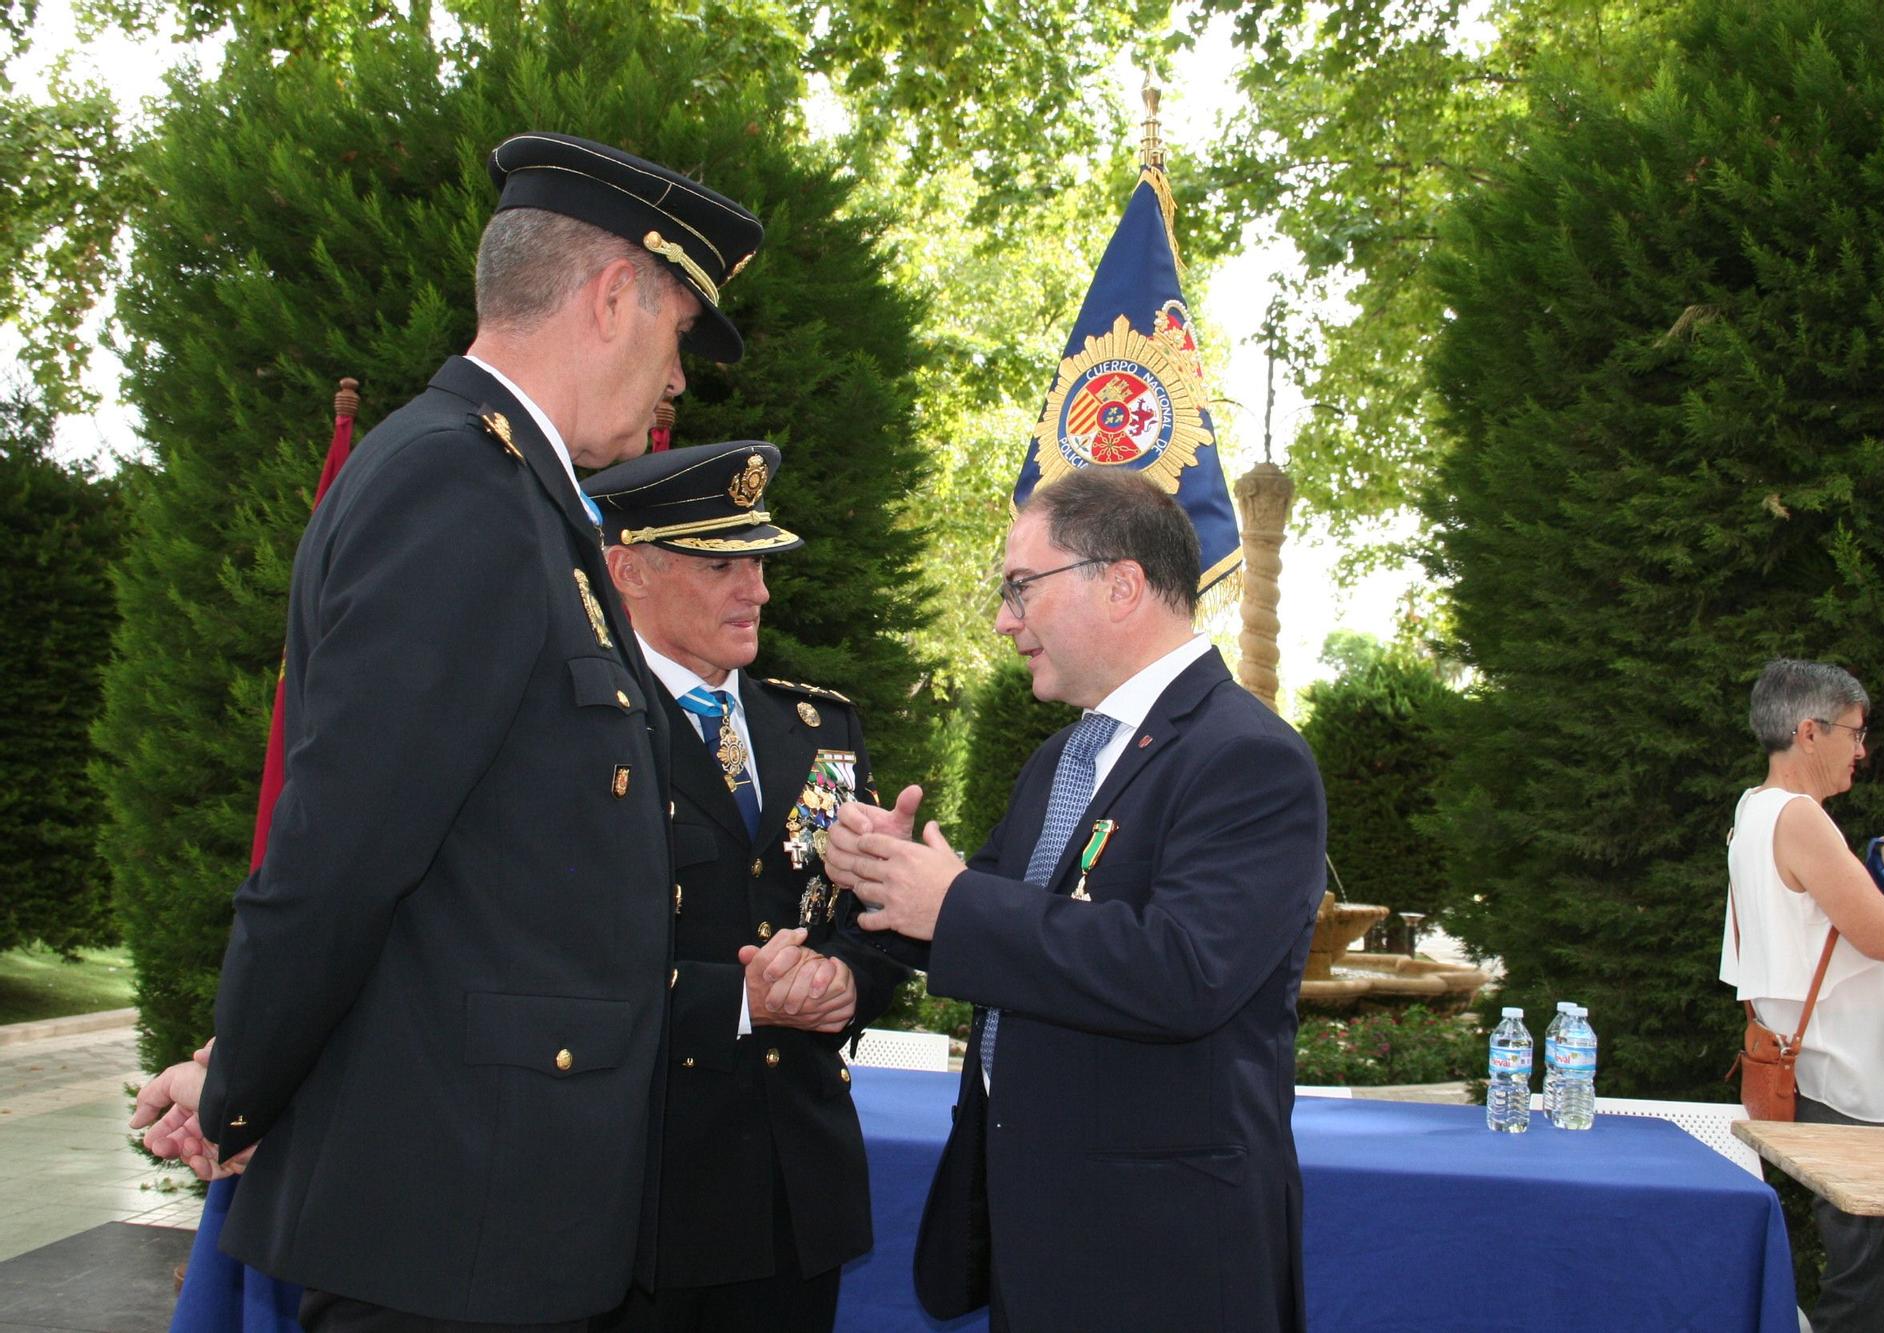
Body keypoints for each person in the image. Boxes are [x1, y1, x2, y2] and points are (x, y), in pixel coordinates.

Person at [129, 132, 763, 1330]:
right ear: (614, 294)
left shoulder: (522, 499)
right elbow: (340, 856)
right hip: (446, 1226)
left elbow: (484, 872)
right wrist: (242, 1095)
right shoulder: (456, 488)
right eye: (680, 332)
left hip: (495, 1208)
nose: (677, 378)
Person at [826, 466, 1327, 1332]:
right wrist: (889, 879)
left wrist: (953, 905)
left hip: (1162, 1256)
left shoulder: (1249, 758)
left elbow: (1184, 971)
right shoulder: (1062, 759)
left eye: (1022, 586)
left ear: (1122, 584)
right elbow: (986, 926)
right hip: (1041, 1238)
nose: (1003, 618)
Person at [582, 442, 909, 1332]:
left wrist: (850, 976)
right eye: (721, 563)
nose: (756, 590)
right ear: (627, 571)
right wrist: (738, 1000)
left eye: (759, 562)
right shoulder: (579, 733)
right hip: (643, 1197)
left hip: (794, 1192)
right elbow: (557, 956)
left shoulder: (818, 726)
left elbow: (864, 917)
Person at [1720, 658, 1884, 1333]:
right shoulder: (1802, 819)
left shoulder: (1750, 810)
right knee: (1873, 1296)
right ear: (1809, 732)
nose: (1861, 750)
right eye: (1854, 732)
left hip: (1805, 1072)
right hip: (1854, 1087)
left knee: (1861, 1276)